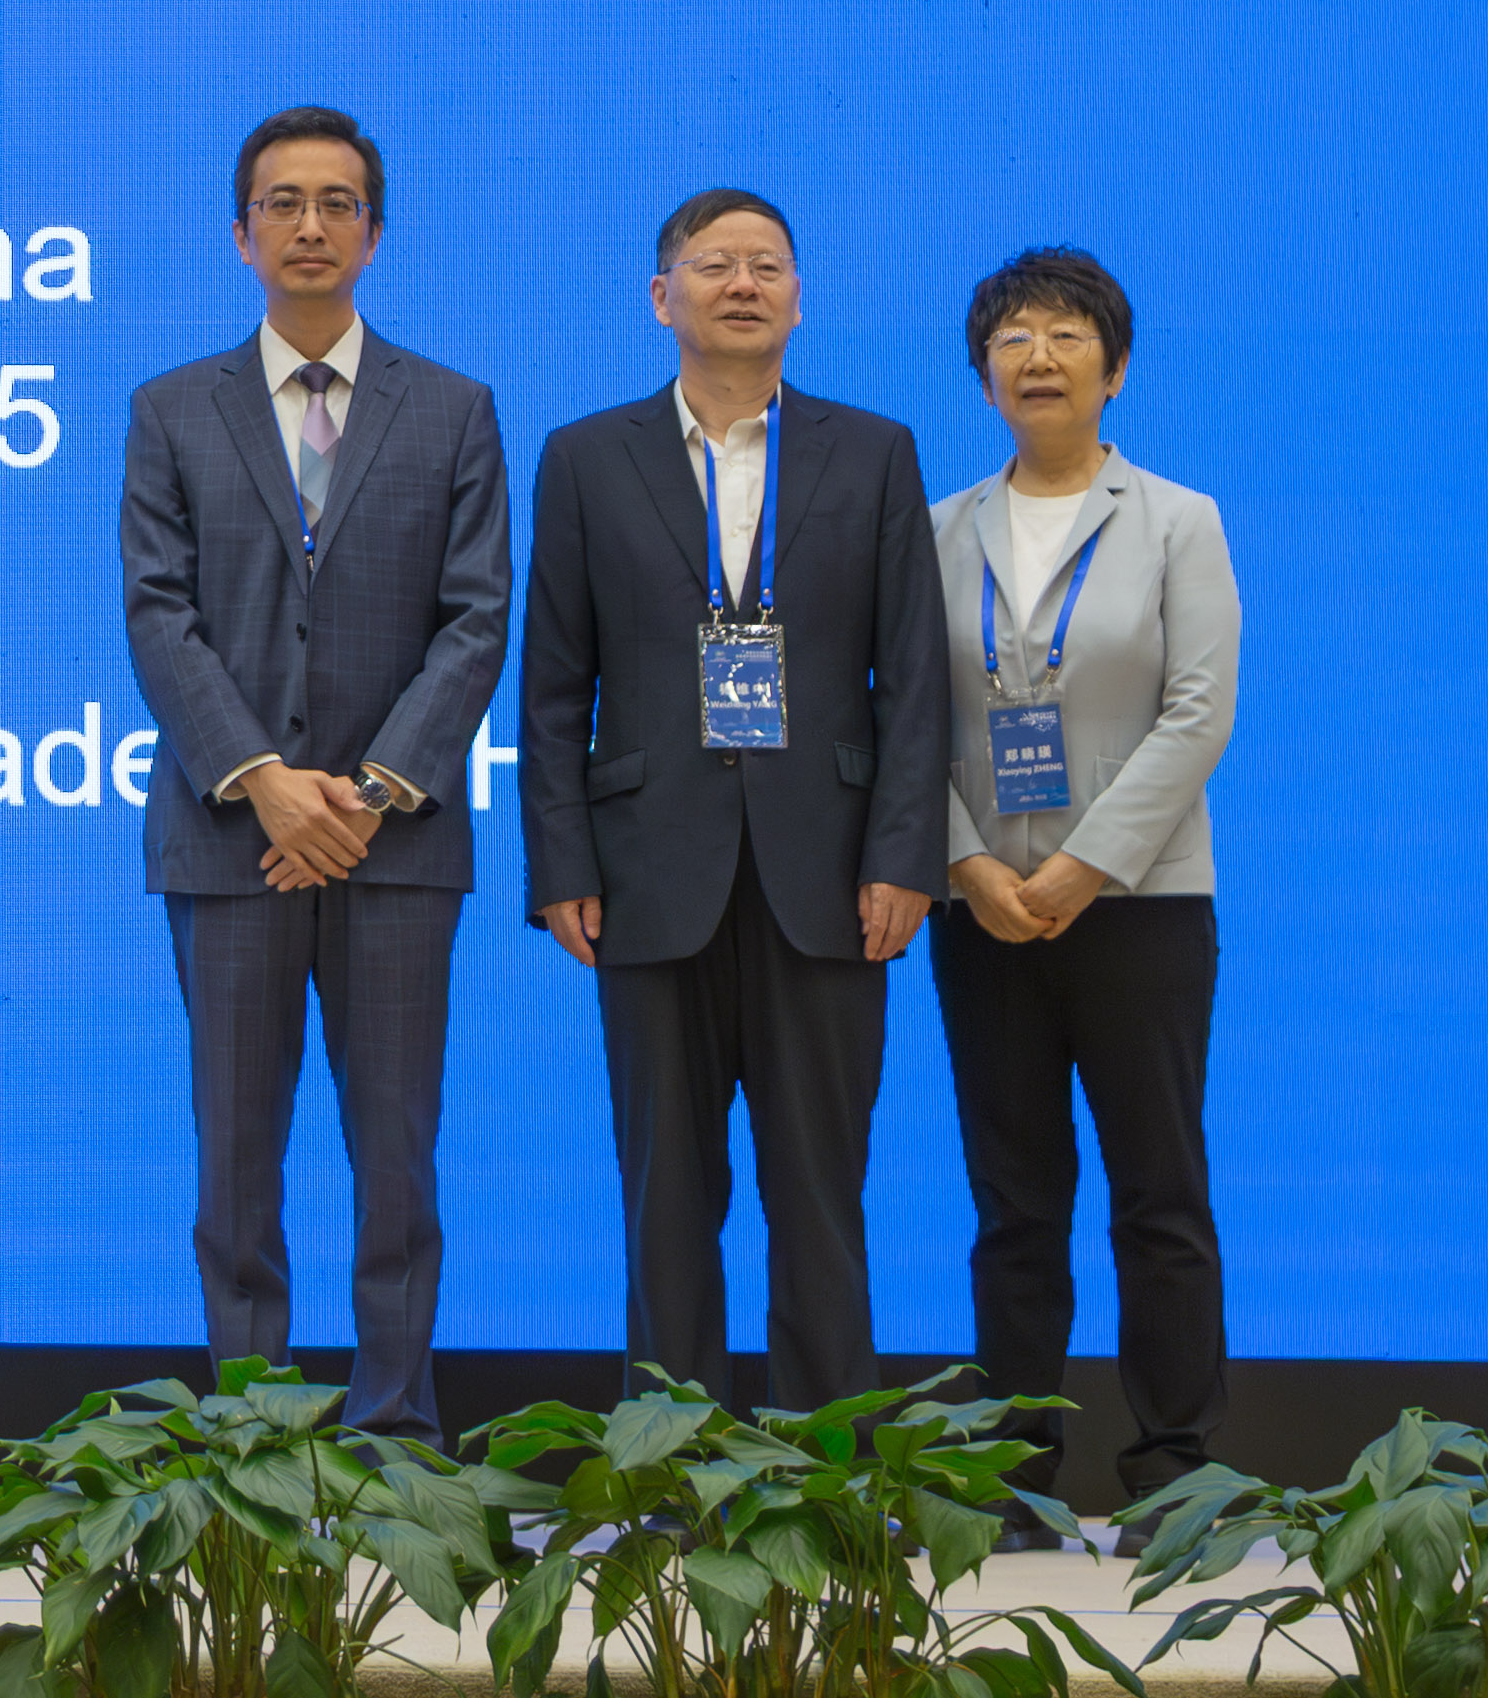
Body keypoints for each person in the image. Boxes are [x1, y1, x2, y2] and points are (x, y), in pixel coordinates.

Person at [119, 106, 511, 1441]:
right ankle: (254, 1435)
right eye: (280, 202)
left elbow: (475, 619)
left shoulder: (453, 408)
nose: (308, 225)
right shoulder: (171, 409)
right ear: (240, 235)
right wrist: (265, 780)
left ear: (373, 233)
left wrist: (370, 793)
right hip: (228, 841)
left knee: (395, 1161)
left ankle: (395, 1430)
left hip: (397, 848)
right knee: (235, 1161)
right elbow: (158, 614)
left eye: (335, 202)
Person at [519, 187, 946, 1409]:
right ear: (663, 298)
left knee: (820, 1191)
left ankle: (825, 1460)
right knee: (665, 1193)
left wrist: (904, 853)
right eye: (714, 265)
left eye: (766, 264)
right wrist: (562, 866)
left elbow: (914, 677)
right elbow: (551, 685)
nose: (743, 283)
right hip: (647, 874)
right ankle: (675, 1459)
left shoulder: (873, 451)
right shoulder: (585, 457)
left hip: (831, 873)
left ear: (798, 298)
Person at [931, 247, 1237, 1529]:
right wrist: (965, 862)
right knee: (1013, 1204)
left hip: (1141, 905)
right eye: (1012, 337)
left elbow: (1198, 710)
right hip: (981, 911)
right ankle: (1012, 1476)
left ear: (1114, 368)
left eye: (1066, 334)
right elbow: (899, 721)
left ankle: (1172, 1469)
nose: (1038, 356)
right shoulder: (934, 528)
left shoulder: (1176, 518)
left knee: (1157, 1193)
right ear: (982, 375)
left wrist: (1080, 865)